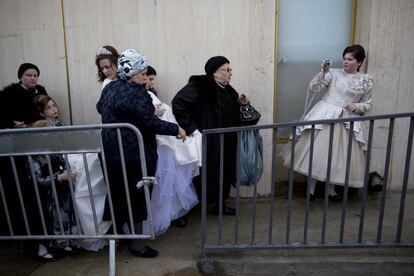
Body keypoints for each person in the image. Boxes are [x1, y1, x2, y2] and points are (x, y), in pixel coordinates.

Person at [96, 49, 186, 258]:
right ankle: (137, 245)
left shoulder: (111, 88)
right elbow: (150, 122)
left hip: (110, 152)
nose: (146, 78)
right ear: (132, 72)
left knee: (118, 195)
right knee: (137, 197)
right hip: (134, 156)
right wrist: (176, 130)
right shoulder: (137, 93)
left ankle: (116, 240)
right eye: (143, 73)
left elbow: (100, 108)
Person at [280, 44, 373, 201]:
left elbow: (368, 103)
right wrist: (323, 72)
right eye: (344, 58)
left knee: (338, 157)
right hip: (325, 116)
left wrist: (357, 106)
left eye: (350, 59)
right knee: (317, 153)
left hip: (347, 120)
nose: (345, 62)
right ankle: (311, 189)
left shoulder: (366, 80)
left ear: (359, 62)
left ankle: (331, 190)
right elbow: (313, 88)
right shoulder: (334, 73)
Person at [172, 56, 248, 216]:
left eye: (230, 70)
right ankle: (187, 210)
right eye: (226, 70)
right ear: (214, 72)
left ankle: (220, 205)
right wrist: (192, 129)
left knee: (225, 172)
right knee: (206, 175)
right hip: (210, 141)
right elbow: (179, 103)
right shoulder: (200, 85)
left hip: (228, 141)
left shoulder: (228, 89)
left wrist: (240, 104)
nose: (230, 73)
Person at [33, 95, 110, 251]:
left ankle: (80, 234)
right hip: (56, 171)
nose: (54, 109)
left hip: (65, 161)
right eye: (49, 107)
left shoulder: (59, 124)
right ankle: (65, 240)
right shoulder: (41, 130)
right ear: (41, 112)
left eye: (54, 106)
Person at [143, 75, 201, 234]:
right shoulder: (142, 95)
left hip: (164, 143)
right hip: (158, 143)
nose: (149, 81)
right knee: (160, 182)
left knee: (168, 181)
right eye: (146, 77)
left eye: (151, 78)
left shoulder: (149, 94)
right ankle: (158, 217)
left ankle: (170, 214)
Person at [0, 63, 48, 129]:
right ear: (21, 77)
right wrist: (14, 125)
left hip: (43, 127)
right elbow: (3, 116)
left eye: (35, 75)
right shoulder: (10, 92)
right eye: (29, 75)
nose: (33, 78)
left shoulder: (41, 90)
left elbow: (48, 108)